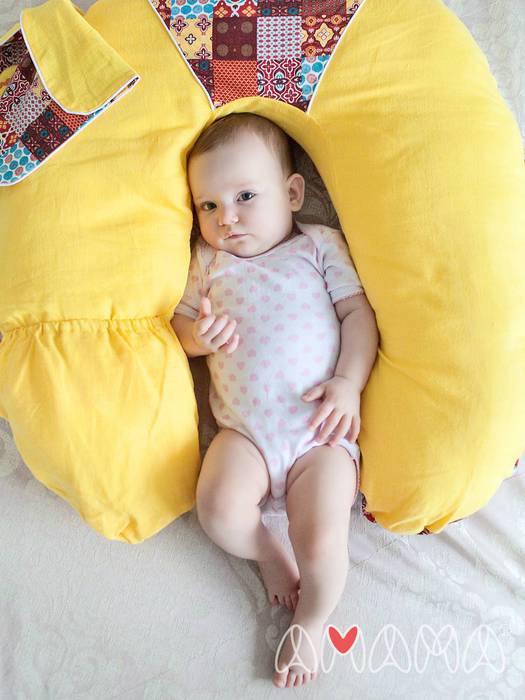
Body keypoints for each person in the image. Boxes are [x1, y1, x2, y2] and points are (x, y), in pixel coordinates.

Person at [171, 112, 379, 688]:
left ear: (292, 194)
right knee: (217, 510)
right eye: (208, 205)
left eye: (244, 196)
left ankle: (312, 622)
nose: (226, 218)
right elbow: (180, 328)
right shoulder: (207, 262)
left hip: (320, 433)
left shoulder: (317, 245)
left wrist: (348, 383)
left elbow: (358, 315)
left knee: (322, 537)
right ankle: (266, 552)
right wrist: (197, 337)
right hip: (246, 436)